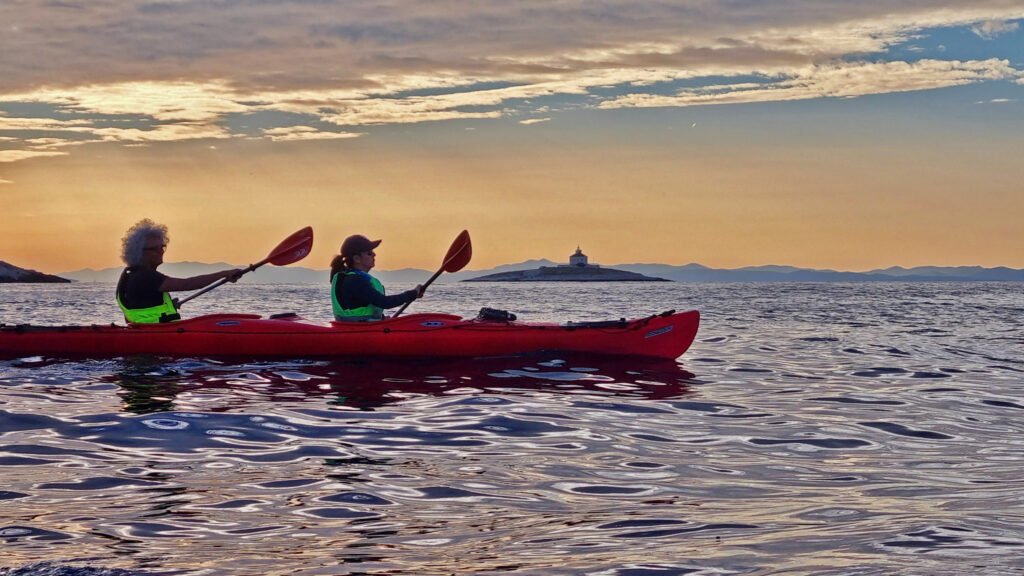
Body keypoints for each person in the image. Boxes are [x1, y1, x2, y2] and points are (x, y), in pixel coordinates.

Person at [116, 219, 243, 323]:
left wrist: (169, 307)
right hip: (156, 334)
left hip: (151, 331)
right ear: (140, 252)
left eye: (162, 247)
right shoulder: (144, 277)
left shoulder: (133, 274)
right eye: (155, 249)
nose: (161, 251)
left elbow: (140, 308)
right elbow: (187, 284)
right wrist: (224, 274)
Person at [330, 234, 423, 321]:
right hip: (359, 330)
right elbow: (384, 302)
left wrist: (381, 319)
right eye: (369, 253)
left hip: (363, 326)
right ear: (357, 259)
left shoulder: (353, 278)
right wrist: (412, 294)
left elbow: (358, 305)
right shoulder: (354, 281)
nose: (374, 255)